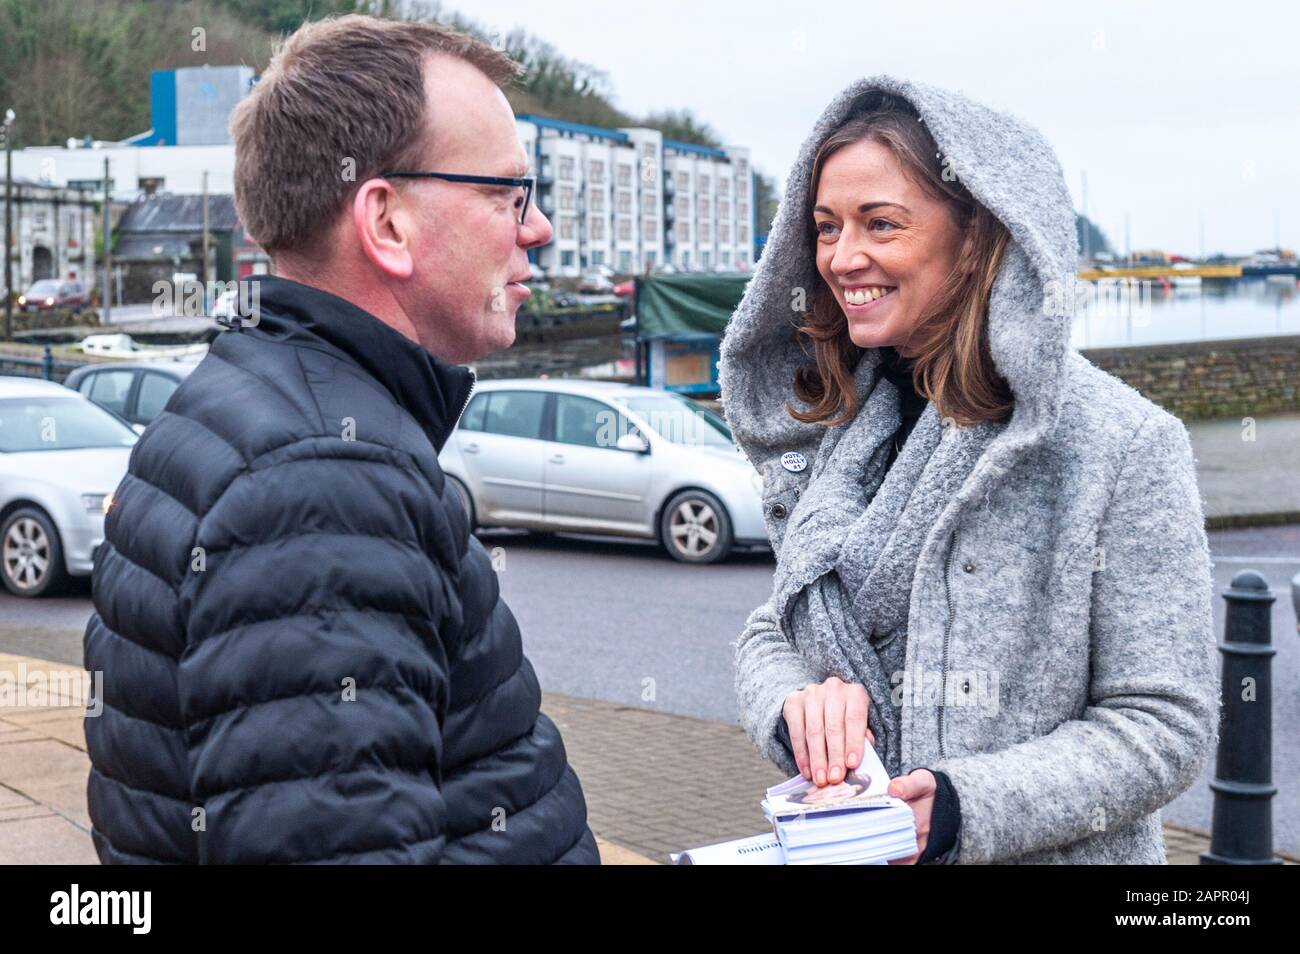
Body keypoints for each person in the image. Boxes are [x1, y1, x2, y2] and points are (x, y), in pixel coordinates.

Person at [82, 15, 599, 864]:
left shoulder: (243, 405)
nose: (535, 228)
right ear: (386, 222)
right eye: (508, 195)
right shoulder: (324, 484)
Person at [722, 76, 1220, 864]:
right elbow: (772, 626)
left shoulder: (1120, 445)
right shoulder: (836, 426)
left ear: (979, 235)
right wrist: (793, 705)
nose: (842, 258)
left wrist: (964, 808)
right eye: (824, 228)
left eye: (879, 224)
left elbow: (1164, 725)